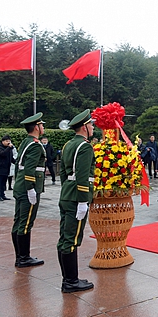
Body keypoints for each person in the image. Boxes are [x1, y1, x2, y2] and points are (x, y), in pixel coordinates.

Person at [57, 109, 95, 292]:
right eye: (91, 125)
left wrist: (67, 190)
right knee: (71, 239)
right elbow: (82, 175)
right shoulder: (85, 146)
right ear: (85, 127)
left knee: (64, 237)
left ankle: (68, 278)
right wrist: (82, 200)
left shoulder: (68, 145)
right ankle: (71, 281)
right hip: (76, 198)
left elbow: (64, 173)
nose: (93, 127)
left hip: (66, 194)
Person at [11, 113, 46, 268]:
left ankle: (20, 256)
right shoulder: (35, 145)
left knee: (19, 221)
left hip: (20, 187)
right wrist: (31, 189)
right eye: (42, 125)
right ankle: (23, 258)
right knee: (25, 223)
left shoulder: (26, 142)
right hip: (27, 189)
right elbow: (29, 169)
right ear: (36, 127)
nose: (43, 127)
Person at [0, 135, 15, 201]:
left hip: (6, 169)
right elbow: (2, 154)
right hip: (0, 169)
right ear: (3, 141)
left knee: (3, 183)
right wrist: (9, 148)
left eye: (9, 141)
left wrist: (17, 163)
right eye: (7, 141)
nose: (8, 143)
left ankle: (2, 195)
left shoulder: (9, 149)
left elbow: (11, 158)